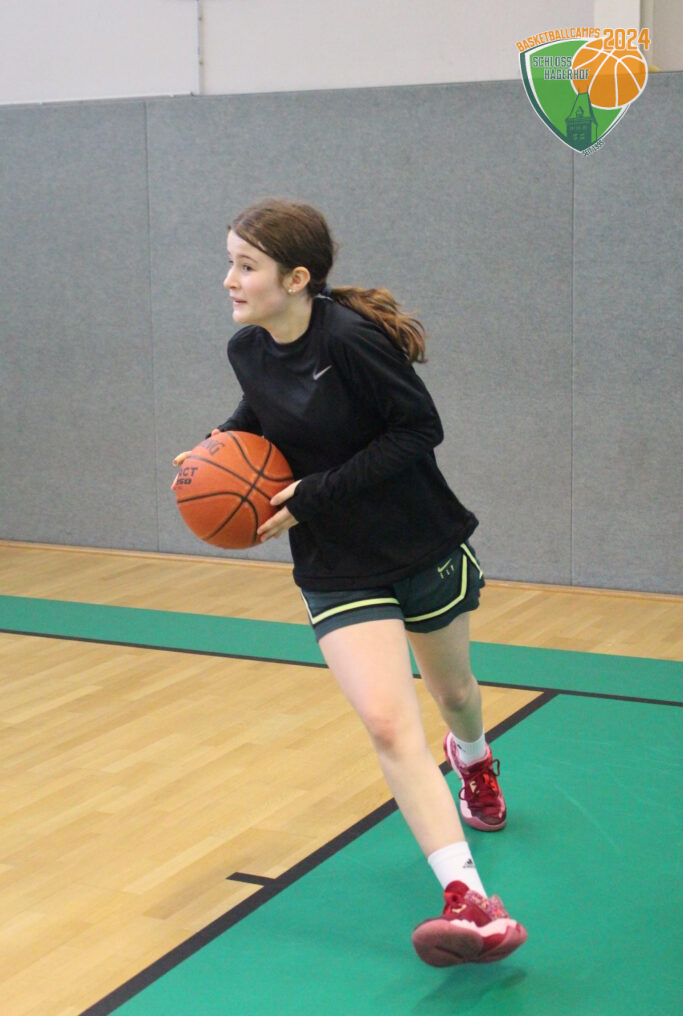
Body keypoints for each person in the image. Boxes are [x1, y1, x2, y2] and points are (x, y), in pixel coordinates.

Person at [173, 198, 526, 966]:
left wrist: (314, 494)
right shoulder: (248, 349)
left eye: (245, 265)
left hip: (416, 541)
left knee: (454, 693)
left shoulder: (351, 340)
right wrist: (217, 449)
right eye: (229, 261)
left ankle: (473, 758)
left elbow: (419, 430)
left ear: (296, 279)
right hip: (336, 567)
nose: (228, 278)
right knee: (388, 726)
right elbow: (264, 410)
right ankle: (467, 898)